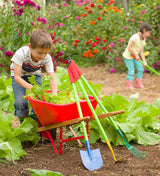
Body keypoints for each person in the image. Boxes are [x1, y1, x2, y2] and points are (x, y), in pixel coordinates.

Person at [10, 29, 57, 140]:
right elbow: (17, 77)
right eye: (39, 53)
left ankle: (37, 122)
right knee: (20, 102)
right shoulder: (21, 53)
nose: (43, 56)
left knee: (40, 101)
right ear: (30, 47)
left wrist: (54, 95)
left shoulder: (47, 58)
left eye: (45, 53)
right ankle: (23, 122)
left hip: (35, 74)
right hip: (19, 76)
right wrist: (30, 87)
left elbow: (52, 78)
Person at [123, 23, 152, 89]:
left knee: (140, 68)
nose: (149, 34)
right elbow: (129, 47)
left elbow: (141, 51)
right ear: (144, 30)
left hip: (135, 57)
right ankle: (129, 84)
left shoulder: (143, 39)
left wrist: (144, 61)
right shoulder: (134, 37)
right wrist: (136, 55)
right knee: (131, 71)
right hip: (128, 56)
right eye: (148, 32)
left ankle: (138, 83)